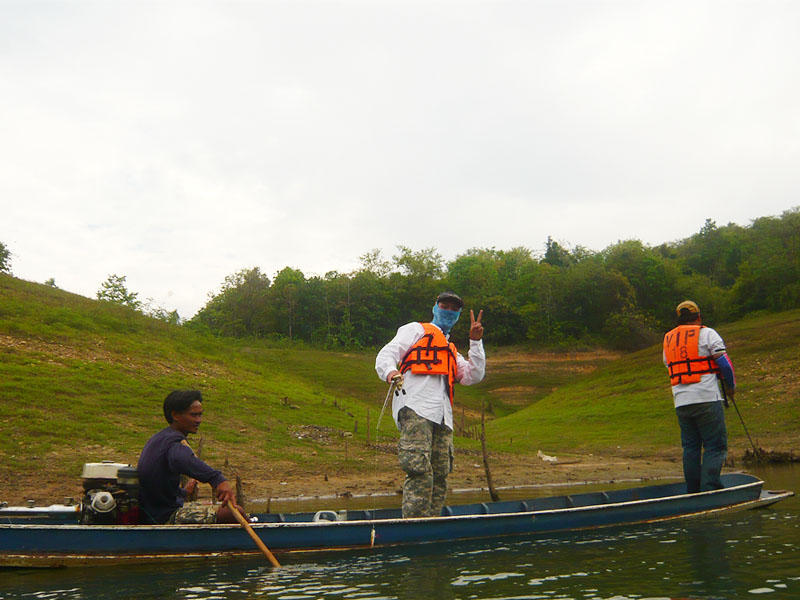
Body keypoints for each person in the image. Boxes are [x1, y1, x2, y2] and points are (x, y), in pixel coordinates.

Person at [375, 291, 486, 518]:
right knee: (419, 468)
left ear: (459, 315)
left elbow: (473, 375)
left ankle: (432, 522)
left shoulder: (452, 351)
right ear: (435, 307)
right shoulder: (416, 329)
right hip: (416, 406)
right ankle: (414, 524)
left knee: (441, 472)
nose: (448, 311)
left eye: (454, 309)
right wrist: (391, 372)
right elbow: (386, 354)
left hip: (442, 416)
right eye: (444, 306)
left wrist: (475, 341)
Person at [137, 390, 244, 524]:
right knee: (236, 513)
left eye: (200, 415)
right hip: (161, 517)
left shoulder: (162, 437)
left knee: (208, 506)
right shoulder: (173, 442)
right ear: (175, 415)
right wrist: (217, 479)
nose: (198, 420)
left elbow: (158, 485)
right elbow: (180, 459)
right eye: (193, 415)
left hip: (157, 510)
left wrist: (183, 493)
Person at [663, 300, 736, 493]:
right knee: (715, 446)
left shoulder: (668, 339)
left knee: (691, 448)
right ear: (699, 317)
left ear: (679, 319)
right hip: (707, 399)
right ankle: (710, 489)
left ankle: (693, 492)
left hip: (681, 402)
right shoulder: (707, 333)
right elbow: (725, 364)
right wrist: (731, 386)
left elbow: (668, 364)